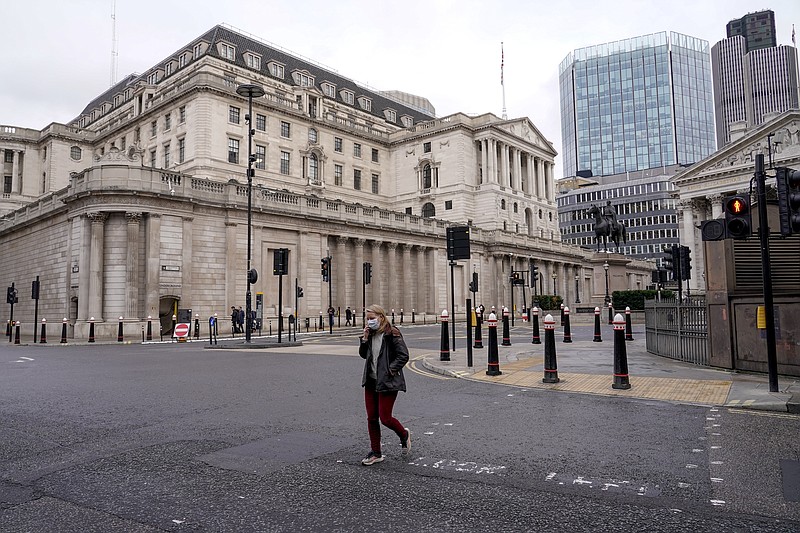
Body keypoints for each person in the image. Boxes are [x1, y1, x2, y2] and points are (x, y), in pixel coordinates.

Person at [358, 304, 411, 465]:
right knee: (372, 418)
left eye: (372, 318)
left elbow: (403, 355)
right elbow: (363, 355)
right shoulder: (371, 334)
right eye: (367, 319)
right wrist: (365, 339)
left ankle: (404, 435)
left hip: (387, 381)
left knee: (385, 418)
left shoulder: (391, 333)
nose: (369, 321)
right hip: (371, 380)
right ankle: (376, 452)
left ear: (381, 317)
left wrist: (390, 371)